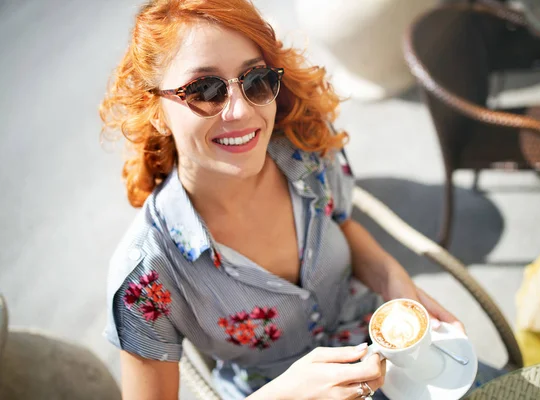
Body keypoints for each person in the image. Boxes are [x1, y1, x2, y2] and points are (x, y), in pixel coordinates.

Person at [99, 1, 493, 399]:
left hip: (390, 363)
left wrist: (393, 281)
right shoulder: (144, 277)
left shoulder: (307, 150)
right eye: (205, 90)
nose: (240, 111)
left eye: (254, 80)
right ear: (156, 111)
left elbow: (340, 223)